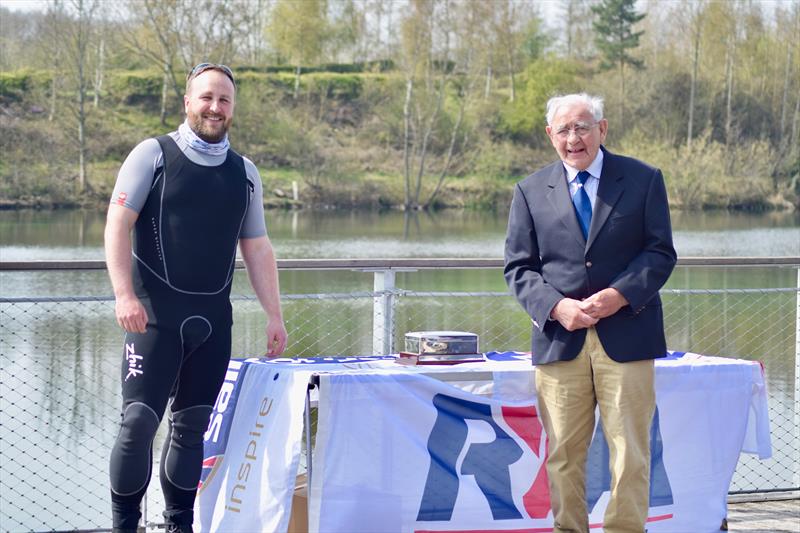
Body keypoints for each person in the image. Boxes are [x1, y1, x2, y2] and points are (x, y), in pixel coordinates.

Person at [104, 63, 288, 533]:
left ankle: (178, 525)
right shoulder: (154, 155)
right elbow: (117, 224)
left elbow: (257, 246)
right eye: (206, 97)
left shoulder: (244, 173)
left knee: (191, 429)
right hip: (151, 320)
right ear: (187, 102)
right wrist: (124, 294)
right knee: (138, 424)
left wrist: (274, 315)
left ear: (233, 108)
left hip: (212, 322)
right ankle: (125, 525)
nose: (215, 107)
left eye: (224, 100)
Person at [504, 93, 676, 533]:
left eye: (582, 127)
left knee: (630, 454)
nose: (573, 138)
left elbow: (659, 253)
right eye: (563, 130)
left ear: (602, 129)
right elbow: (519, 268)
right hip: (561, 341)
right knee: (562, 453)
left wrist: (619, 295)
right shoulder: (528, 191)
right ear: (550, 136)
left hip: (629, 335)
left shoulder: (643, 179)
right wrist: (556, 307)